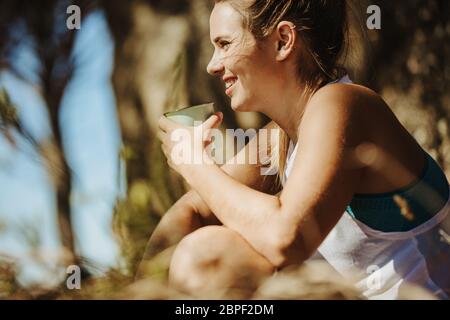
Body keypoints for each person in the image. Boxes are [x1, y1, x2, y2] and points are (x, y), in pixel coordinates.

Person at [145, 0, 450, 299]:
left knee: (206, 259)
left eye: (224, 44)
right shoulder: (281, 136)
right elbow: (192, 209)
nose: (212, 65)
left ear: (283, 41)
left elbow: (286, 238)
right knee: (207, 254)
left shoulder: (343, 103)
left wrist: (196, 165)